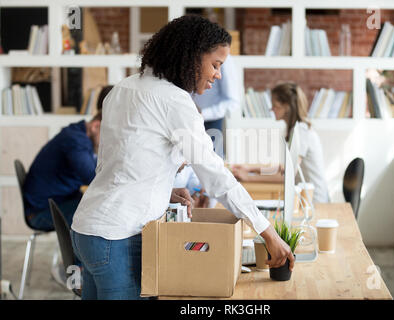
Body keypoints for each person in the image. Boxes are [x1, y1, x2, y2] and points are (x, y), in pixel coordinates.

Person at [70, 15, 294, 300]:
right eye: (215, 64)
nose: (218, 75)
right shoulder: (174, 100)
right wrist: (268, 233)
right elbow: (215, 177)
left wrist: (163, 188)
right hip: (118, 238)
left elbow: (115, 164)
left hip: (87, 230)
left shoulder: (122, 88)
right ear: (190, 57)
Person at [232, 82, 330, 203]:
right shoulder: (296, 129)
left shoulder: (301, 131)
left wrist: (248, 178)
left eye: (275, 105)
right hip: (305, 199)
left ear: (287, 106)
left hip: (314, 201)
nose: (271, 109)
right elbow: (284, 168)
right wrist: (250, 169)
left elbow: (288, 175)